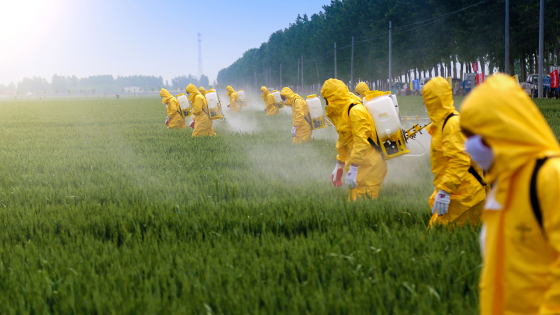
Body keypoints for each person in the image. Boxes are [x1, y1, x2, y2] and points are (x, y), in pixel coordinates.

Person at [460, 74, 560, 315]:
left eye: (475, 135)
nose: (469, 146)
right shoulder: (502, 185)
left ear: (502, 129)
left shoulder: (550, 177)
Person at [422, 76, 485, 227]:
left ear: (434, 101)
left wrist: (445, 190)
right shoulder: (442, 124)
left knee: (438, 236)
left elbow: (460, 161)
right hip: (458, 191)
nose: (424, 104)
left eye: (427, 99)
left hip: (466, 195)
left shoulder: (451, 125)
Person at [321, 79, 387, 200]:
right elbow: (345, 139)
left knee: (363, 207)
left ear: (333, 97)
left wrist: (354, 168)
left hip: (369, 166)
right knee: (355, 204)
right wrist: (339, 164)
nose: (325, 103)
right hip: (360, 165)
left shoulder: (355, 111)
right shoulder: (344, 111)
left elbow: (361, 141)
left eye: (326, 99)